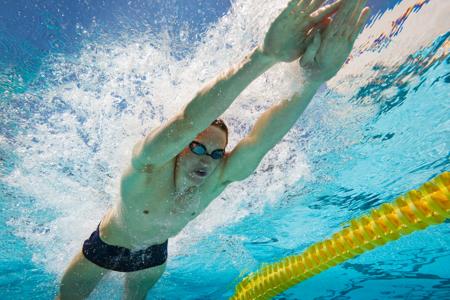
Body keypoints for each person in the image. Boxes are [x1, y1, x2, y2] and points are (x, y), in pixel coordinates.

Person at [57, 0, 370, 299]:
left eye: (217, 153)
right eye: (198, 147)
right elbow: (188, 120)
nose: (208, 160)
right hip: (105, 249)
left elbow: (261, 142)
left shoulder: (217, 179)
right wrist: (264, 56)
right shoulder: (148, 166)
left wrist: (312, 80)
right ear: (179, 149)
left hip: (152, 258)